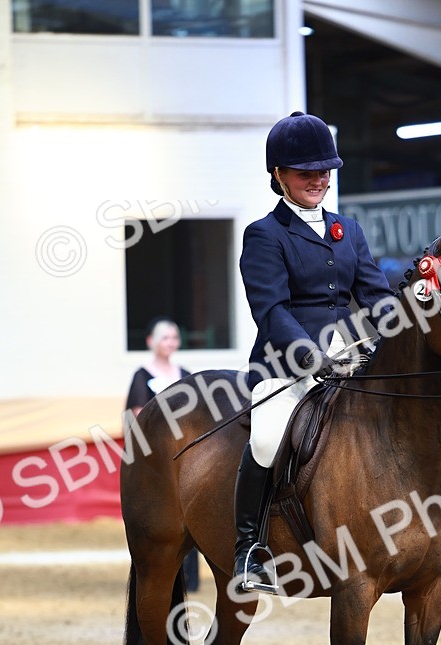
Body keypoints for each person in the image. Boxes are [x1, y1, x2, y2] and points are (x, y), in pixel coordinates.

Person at [234, 111, 396, 593]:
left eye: (325, 170)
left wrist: (403, 323)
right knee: (266, 439)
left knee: (405, 422)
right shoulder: (264, 234)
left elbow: (375, 295)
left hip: (348, 360)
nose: (318, 179)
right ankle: (248, 549)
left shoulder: (349, 230)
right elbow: (271, 308)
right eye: (306, 171)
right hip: (286, 365)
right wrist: (308, 356)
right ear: (279, 175)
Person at [125, 317, 200, 591]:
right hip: (158, 456)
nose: (170, 343)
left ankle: (190, 576)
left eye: (173, 338)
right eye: (165, 338)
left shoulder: (185, 373)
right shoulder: (142, 375)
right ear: (151, 342)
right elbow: (137, 414)